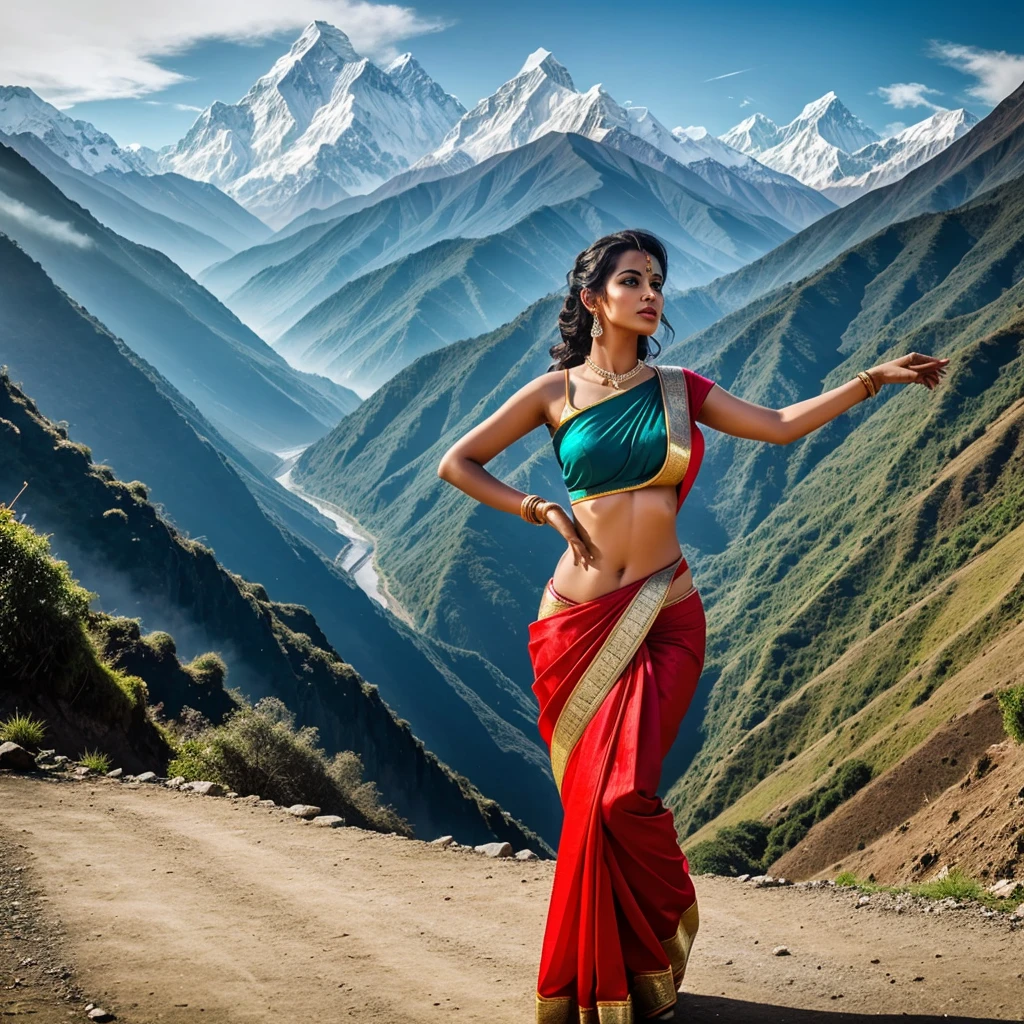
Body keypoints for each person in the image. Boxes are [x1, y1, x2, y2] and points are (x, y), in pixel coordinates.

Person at [436, 229, 948, 1023]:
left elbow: (778, 423)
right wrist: (538, 508)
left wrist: (869, 380)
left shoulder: (679, 387)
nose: (650, 295)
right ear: (592, 298)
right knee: (593, 809)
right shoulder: (554, 393)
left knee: (622, 800)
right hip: (575, 625)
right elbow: (457, 463)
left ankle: (646, 945)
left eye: (657, 282)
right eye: (632, 281)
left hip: (666, 615)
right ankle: (616, 984)